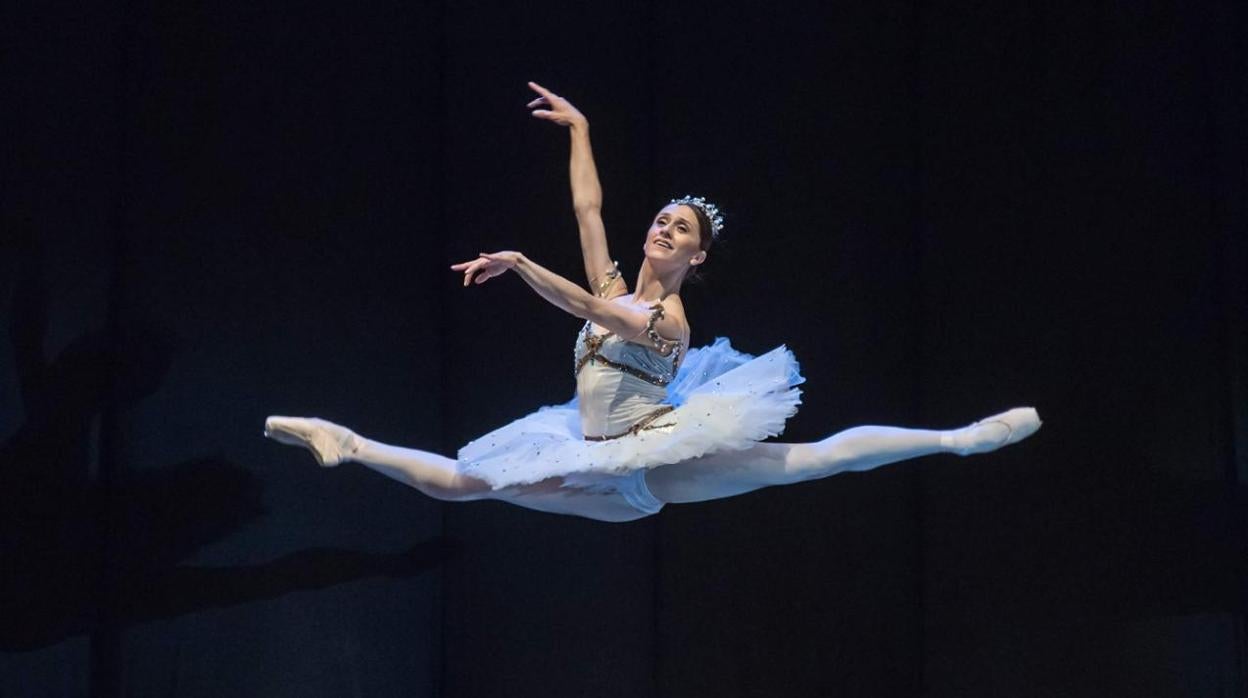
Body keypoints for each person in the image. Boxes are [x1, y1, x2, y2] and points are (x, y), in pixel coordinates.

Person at [264, 81, 1041, 523]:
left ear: (697, 256)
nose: (666, 228)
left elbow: (592, 314)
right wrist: (581, 130)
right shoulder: (613, 279)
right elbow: (589, 212)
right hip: (582, 446)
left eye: (683, 229)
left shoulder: (665, 318)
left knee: (801, 464)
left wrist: (521, 262)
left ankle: (958, 439)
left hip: (651, 466)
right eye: (663, 219)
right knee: (475, 483)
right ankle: (348, 441)